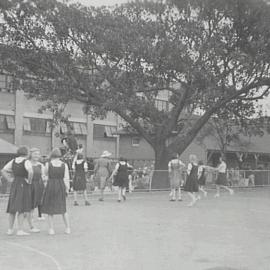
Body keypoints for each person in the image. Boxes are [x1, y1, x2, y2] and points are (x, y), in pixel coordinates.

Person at [2, 146, 40, 236]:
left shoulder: (13, 161)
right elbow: (30, 171)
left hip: (15, 183)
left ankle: (10, 229)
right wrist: (29, 181)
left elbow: (3, 170)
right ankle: (20, 230)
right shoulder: (26, 161)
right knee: (22, 208)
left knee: (12, 208)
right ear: (26, 153)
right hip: (23, 183)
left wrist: (9, 179)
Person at [41, 148, 71, 235]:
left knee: (50, 209)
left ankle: (51, 229)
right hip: (61, 185)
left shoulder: (48, 164)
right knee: (63, 208)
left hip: (51, 185)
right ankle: (68, 228)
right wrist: (67, 189)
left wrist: (46, 181)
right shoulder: (64, 165)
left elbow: (44, 175)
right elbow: (66, 178)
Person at [29, 148, 46, 221]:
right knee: (31, 199)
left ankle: (40, 215)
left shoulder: (41, 165)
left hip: (39, 184)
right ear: (31, 154)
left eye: (38, 154)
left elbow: (44, 175)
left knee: (40, 199)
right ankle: (31, 215)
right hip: (30, 184)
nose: (37, 156)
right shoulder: (27, 163)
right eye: (35, 154)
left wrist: (45, 180)